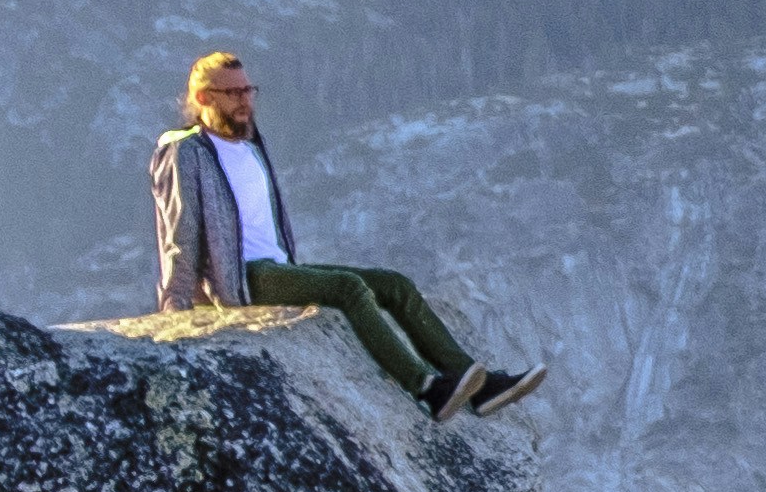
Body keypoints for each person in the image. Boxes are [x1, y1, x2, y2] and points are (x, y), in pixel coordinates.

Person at [147, 52, 542, 415]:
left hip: (276, 266)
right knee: (348, 287)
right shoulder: (185, 151)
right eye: (231, 92)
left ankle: (479, 385)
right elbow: (179, 231)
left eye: (248, 90)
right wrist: (175, 309)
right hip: (240, 280)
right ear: (202, 97)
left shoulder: (250, 145)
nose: (244, 100)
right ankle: (427, 388)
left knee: (394, 285)